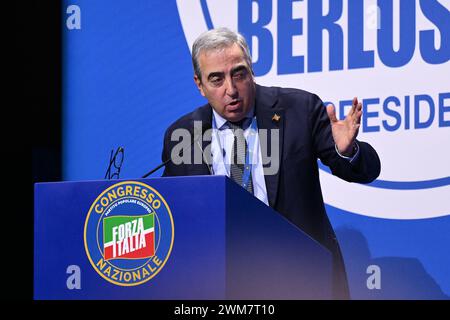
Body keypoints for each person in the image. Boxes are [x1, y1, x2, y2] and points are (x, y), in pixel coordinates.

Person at [161, 27, 381, 299]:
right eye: (216, 79)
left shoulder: (299, 109)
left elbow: (363, 170)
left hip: (302, 276)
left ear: (251, 70)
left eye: (238, 74)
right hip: (222, 285)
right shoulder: (183, 135)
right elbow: (176, 216)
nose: (231, 89)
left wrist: (347, 150)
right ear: (199, 84)